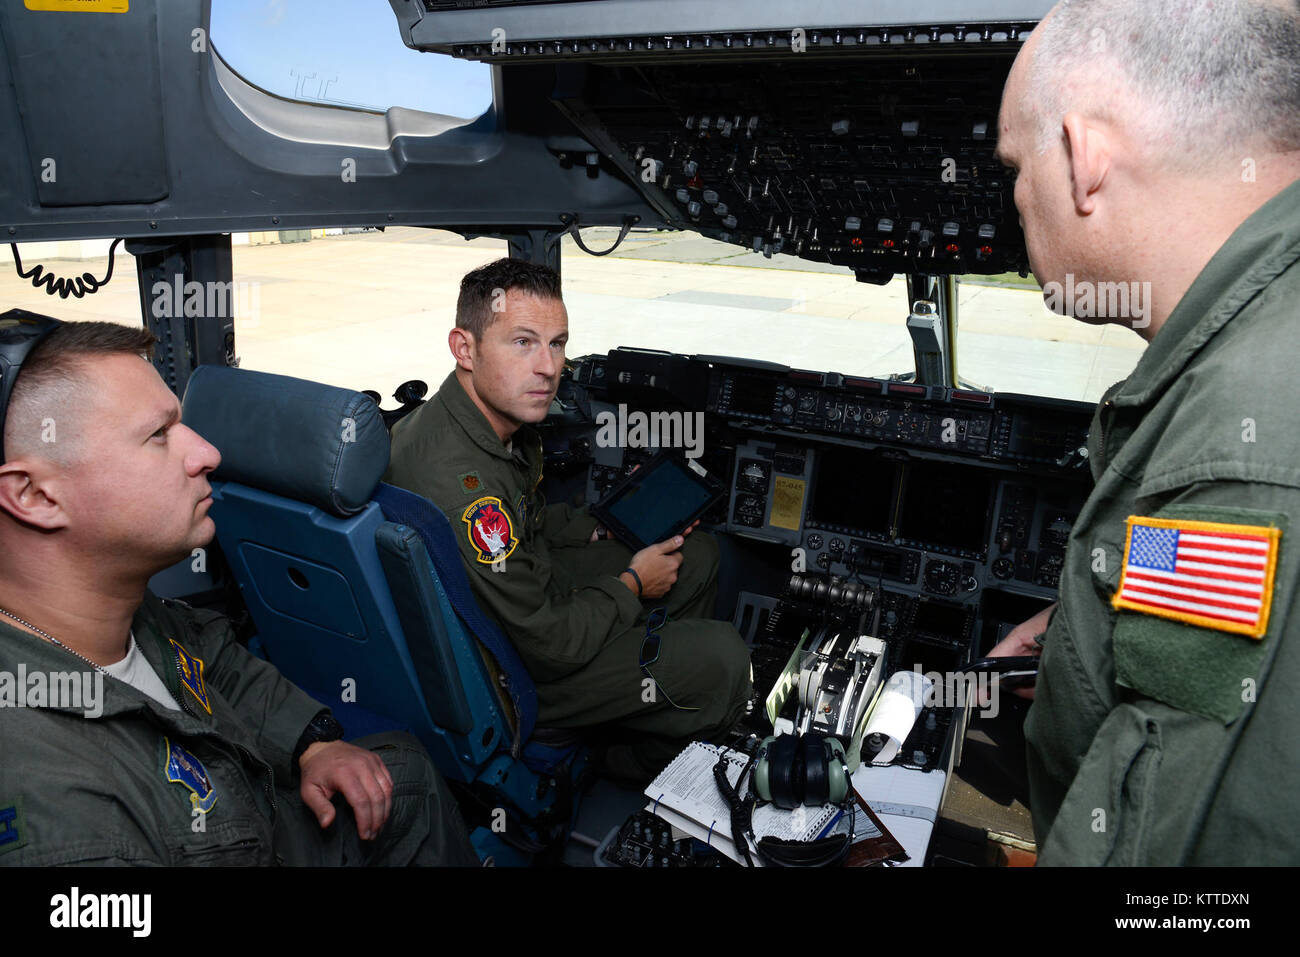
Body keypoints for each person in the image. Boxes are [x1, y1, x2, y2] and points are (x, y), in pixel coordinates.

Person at [987, 0, 1300, 864]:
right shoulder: (1254, 365)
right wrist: (1101, 607)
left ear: (1085, 159)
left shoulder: (1243, 444)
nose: (1015, 195)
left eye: (1018, 163)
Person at [0, 312, 478, 865]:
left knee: (406, 776)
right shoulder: (68, 820)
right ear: (35, 495)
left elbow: (209, 656)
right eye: (158, 435)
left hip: (249, 814)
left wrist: (310, 743)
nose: (206, 453)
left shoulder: (111, 612)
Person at [385, 258, 752, 784]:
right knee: (723, 659)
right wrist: (631, 584)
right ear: (464, 348)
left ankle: (638, 704)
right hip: (512, 672)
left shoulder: (475, 422)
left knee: (696, 553)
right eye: (522, 342)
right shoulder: (465, 488)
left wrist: (592, 529)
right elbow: (549, 644)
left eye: (556, 344)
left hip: (517, 600)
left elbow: (524, 526)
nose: (548, 367)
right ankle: (628, 760)